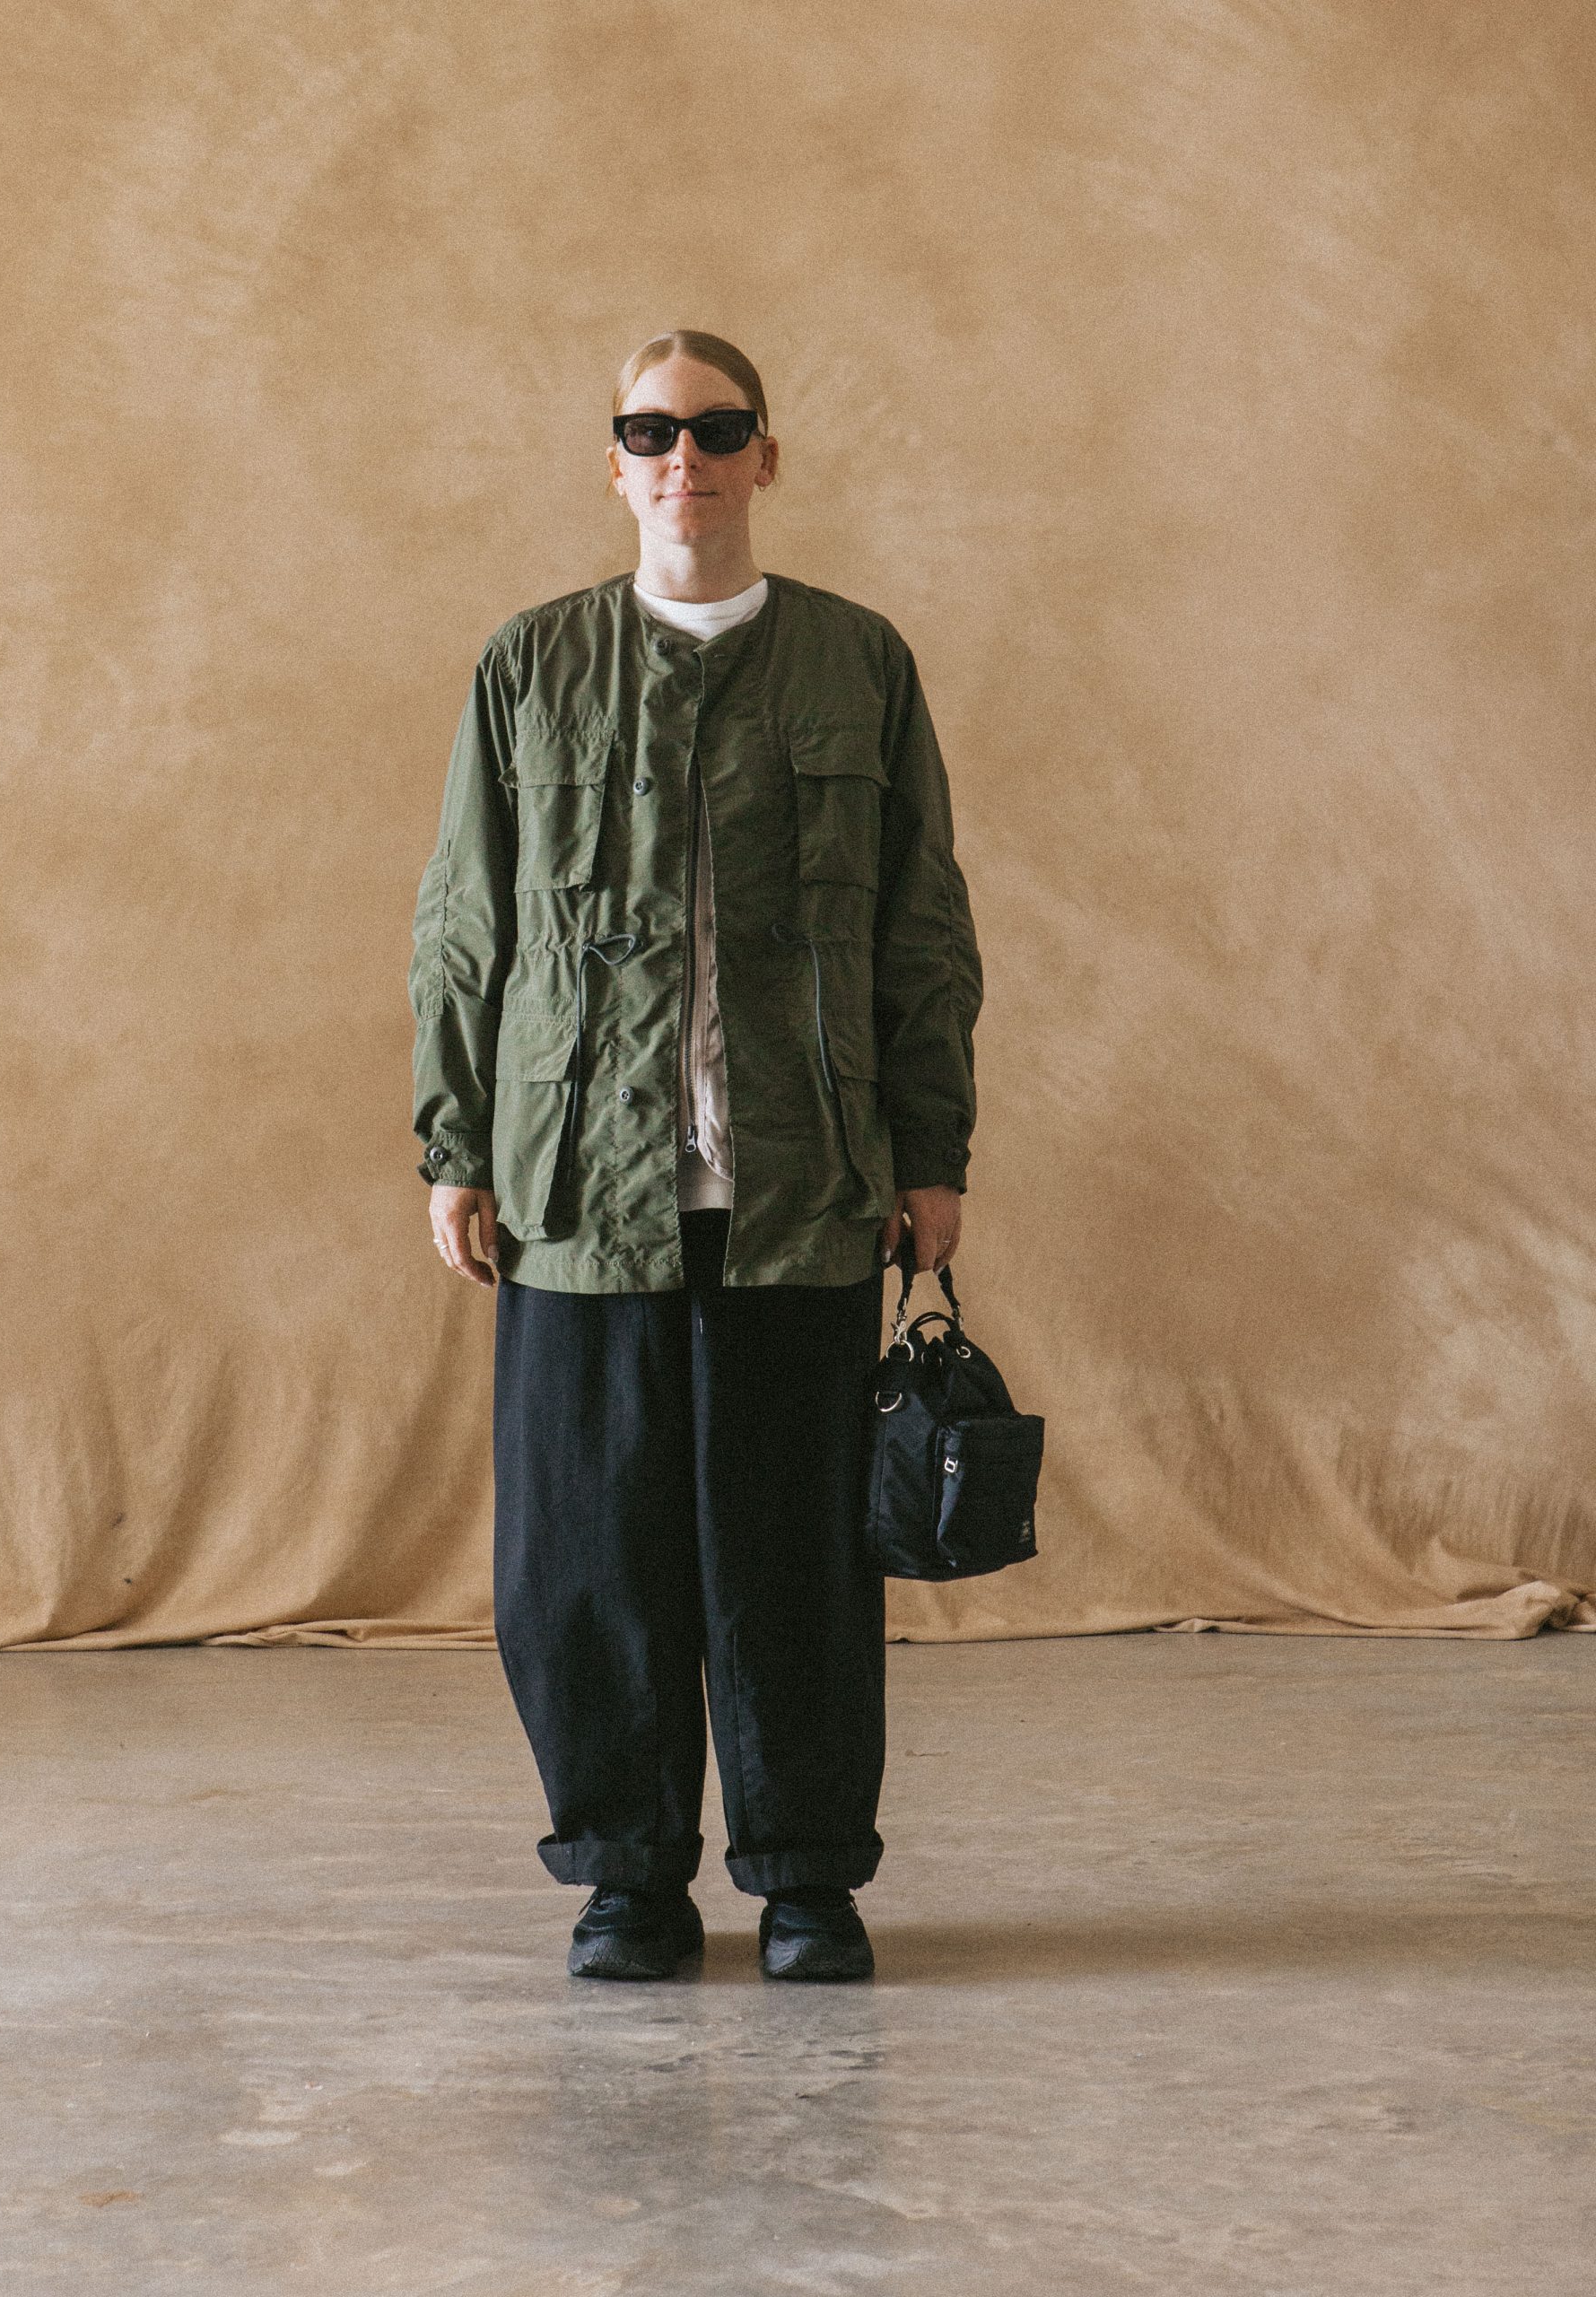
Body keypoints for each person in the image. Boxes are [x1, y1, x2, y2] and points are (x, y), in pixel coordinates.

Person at [409, 329, 983, 1982]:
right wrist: (457, 1142)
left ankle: (806, 1879)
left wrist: (931, 1145)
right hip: (579, 1187)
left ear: (765, 458)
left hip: (803, 1186)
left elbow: (921, 921)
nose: (687, 459)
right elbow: (464, 920)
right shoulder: (533, 665)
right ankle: (628, 1882)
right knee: (587, 1560)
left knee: (797, 1561)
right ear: (615, 463)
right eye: (652, 431)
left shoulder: (856, 662)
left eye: (719, 430)